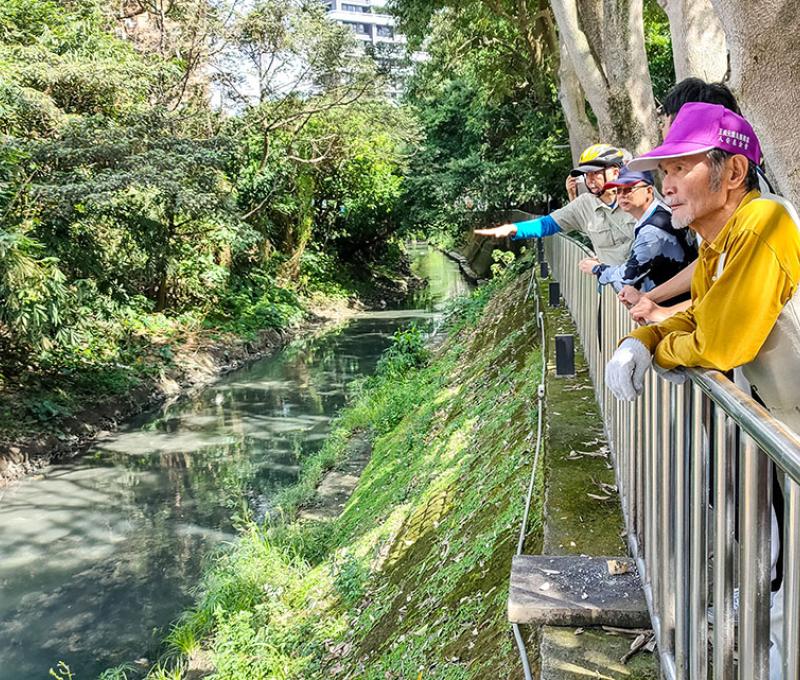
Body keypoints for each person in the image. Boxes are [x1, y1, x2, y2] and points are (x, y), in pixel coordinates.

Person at [604, 102, 800, 679]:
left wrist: (651, 346)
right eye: (664, 171)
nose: (666, 185)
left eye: (681, 168)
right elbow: (699, 317)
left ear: (732, 172)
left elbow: (720, 341)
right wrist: (644, 339)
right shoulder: (722, 240)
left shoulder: (766, 223)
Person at [474, 144, 636, 266]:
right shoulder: (584, 204)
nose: (590, 180)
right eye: (587, 175)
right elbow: (548, 224)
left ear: (615, 171)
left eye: (595, 173)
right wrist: (514, 229)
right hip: (615, 295)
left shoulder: (638, 196)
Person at [578, 167, 697, 300]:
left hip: (676, 306)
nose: (622, 195)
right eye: (618, 190)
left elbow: (628, 274)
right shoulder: (659, 212)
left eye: (629, 189)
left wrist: (596, 269)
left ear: (649, 191)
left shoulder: (652, 231)